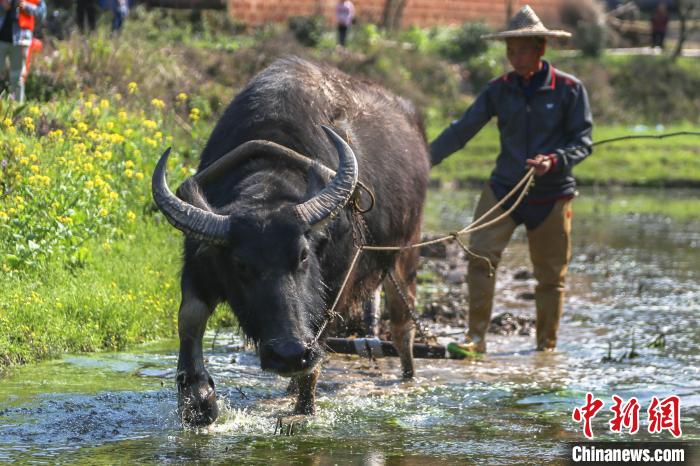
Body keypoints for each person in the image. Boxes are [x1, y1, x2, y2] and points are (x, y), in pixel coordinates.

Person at [430, 5, 593, 354]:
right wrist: (421, 160)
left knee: (551, 277)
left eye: (521, 50)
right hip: (504, 188)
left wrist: (555, 160)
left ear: (540, 50)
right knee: (480, 257)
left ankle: (545, 349)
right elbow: (461, 131)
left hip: (552, 194)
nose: (513, 57)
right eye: (509, 51)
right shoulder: (498, 89)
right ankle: (475, 340)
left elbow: (583, 141)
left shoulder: (569, 89)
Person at [0, 0, 46, 103]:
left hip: (21, 40)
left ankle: (16, 110)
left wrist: (26, 6)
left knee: (17, 77)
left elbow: (42, 13)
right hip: (1, 39)